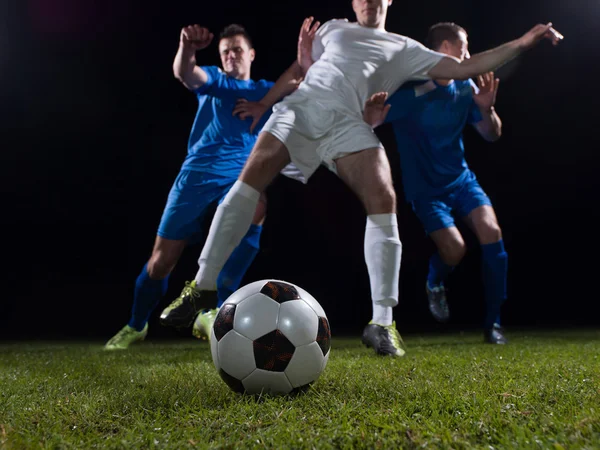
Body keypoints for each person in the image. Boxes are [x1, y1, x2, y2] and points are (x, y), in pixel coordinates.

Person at [160, 0, 562, 358]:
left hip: (349, 123)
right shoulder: (334, 28)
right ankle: (202, 288)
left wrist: (525, 41)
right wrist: (268, 101)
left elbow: (467, 67)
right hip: (302, 109)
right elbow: (301, 68)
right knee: (251, 177)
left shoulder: (405, 48)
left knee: (383, 195)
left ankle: (382, 322)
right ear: (354, 3)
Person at [104, 23, 304, 350]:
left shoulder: (266, 91)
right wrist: (187, 47)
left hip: (239, 177)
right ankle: (136, 325)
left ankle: (211, 309)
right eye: (225, 51)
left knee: (257, 207)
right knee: (161, 262)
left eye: (237, 49)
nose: (230, 56)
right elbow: (187, 73)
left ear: (251, 54)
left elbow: (301, 82)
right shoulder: (216, 81)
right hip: (194, 177)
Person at [363, 22, 511, 344]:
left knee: (492, 232)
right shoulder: (410, 92)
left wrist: (488, 109)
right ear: (443, 50)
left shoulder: (466, 88)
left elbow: (492, 134)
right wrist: (370, 121)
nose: (468, 56)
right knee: (455, 250)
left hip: (461, 181)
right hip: (426, 193)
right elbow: (370, 121)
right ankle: (435, 282)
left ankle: (494, 324)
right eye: (463, 49)